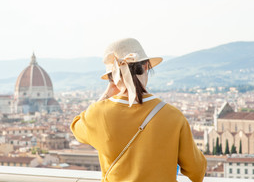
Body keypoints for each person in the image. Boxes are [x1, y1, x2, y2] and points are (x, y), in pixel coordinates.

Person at [70, 38, 206, 182]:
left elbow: (76, 128)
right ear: (146, 66)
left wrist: (107, 93)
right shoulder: (173, 115)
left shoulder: (98, 113)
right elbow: (197, 171)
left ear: (112, 77)